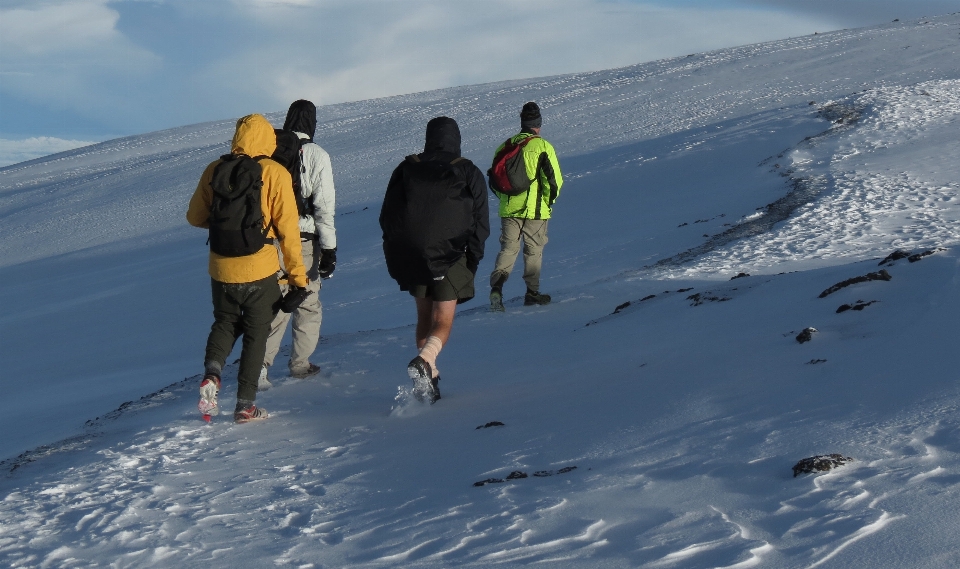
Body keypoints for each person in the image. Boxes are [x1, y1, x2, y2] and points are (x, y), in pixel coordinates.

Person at [187, 113, 308, 423]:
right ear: (268, 139)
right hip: (260, 270)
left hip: (221, 269)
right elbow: (289, 235)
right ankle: (244, 406)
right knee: (256, 333)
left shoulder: (215, 169)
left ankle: (212, 375)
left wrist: (226, 228)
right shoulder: (275, 172)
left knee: (225, 321)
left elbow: (195, 216)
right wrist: (298, 279)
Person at [379, 116, 489, 403]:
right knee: (443, 320)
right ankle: (426, 361)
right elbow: (480, 224)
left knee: (424, 317)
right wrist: (472, 262)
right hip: (451, 256)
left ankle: (430, 379)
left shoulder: (407, 168)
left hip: (411, 254)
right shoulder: (466, 170)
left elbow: (387, 214)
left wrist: (396, 249)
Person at [260, 99, 337, 388]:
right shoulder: (317, 154)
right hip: (303, 240)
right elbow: (324, 207)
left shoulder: (269, 150)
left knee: (274, 300)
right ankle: (300, 364)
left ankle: (259, 367)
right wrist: (329, 249)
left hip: (270, 239)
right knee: (306, 301)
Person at [488, 101, 563, 311]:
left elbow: (495, 180)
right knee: (533, 251)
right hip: (536, 210)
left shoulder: (505, 146)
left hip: (509, 209)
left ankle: (497, 288)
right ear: (537, 124)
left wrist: (505, 199)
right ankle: (532, 293)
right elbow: (554, 181)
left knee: (508, 249)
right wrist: (548, 201)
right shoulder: (543, 146)